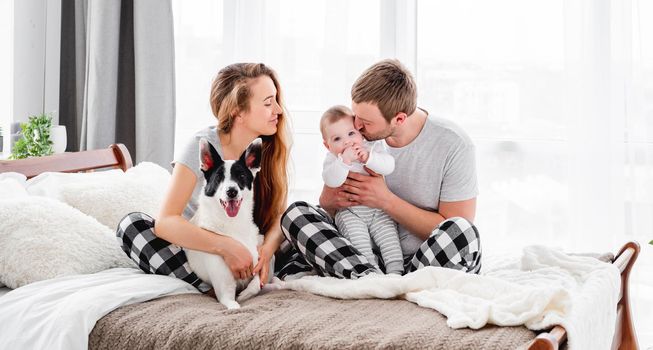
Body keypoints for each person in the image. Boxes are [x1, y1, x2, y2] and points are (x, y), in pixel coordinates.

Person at [277, 59, 481, 280]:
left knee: (462, 234)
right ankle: (372, 280)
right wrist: (330, 198)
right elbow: (328, 205)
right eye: (355, 116)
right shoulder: (356, 138)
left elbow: (454, 225)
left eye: (365, 122)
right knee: (296, 214)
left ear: (399, 119)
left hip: (421, 260)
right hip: (359, 255)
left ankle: (386, 283)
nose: (356, 127)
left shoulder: (454, 144)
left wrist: (385, 200)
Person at [117, 63, 291, 292]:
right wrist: (226, 247)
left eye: (276, 100)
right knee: (131, 226)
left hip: (250, 247)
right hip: (202, 253)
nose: (278, 110)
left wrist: (266, 252)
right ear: (237, 111)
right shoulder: (202, 146)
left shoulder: (266, 148)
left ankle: (249, 280)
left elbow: (279, 214)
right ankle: (210, 287)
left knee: (299, 217)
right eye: (268, 103)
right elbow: (167, 221)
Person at [320, 105, 403, 275]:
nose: (347, 142)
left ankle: (396, 272)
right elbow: (331, 180)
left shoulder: (371, 147)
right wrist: (344, 162)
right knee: (359, 245)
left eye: (351, 134)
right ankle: (371, 272)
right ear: (327, 145)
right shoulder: (333, 159)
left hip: (378, 211)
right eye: (337, 139)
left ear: (359, 132)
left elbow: (389, 166)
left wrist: (369, 158)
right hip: (351, 212)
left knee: (390, 241)